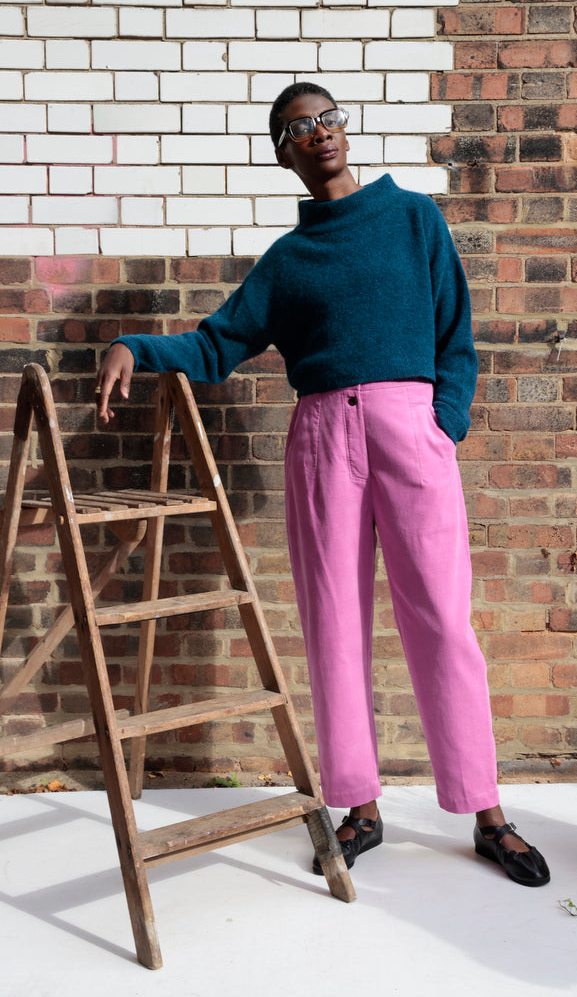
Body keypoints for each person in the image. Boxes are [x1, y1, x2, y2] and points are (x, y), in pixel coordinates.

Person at [96, 81, 550, 888]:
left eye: (328, 118)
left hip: (412, 430)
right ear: (284, 152)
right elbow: (216, 346)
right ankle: (358, 804)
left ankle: (487, 813)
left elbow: (457, 334)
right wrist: (134, 345)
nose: (320, 134)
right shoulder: (287, 262)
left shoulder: (414, 218)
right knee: (333, 621)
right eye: (299, 128)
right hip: (321, 441)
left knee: (443, 618)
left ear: (346, 127)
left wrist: (444, 421)